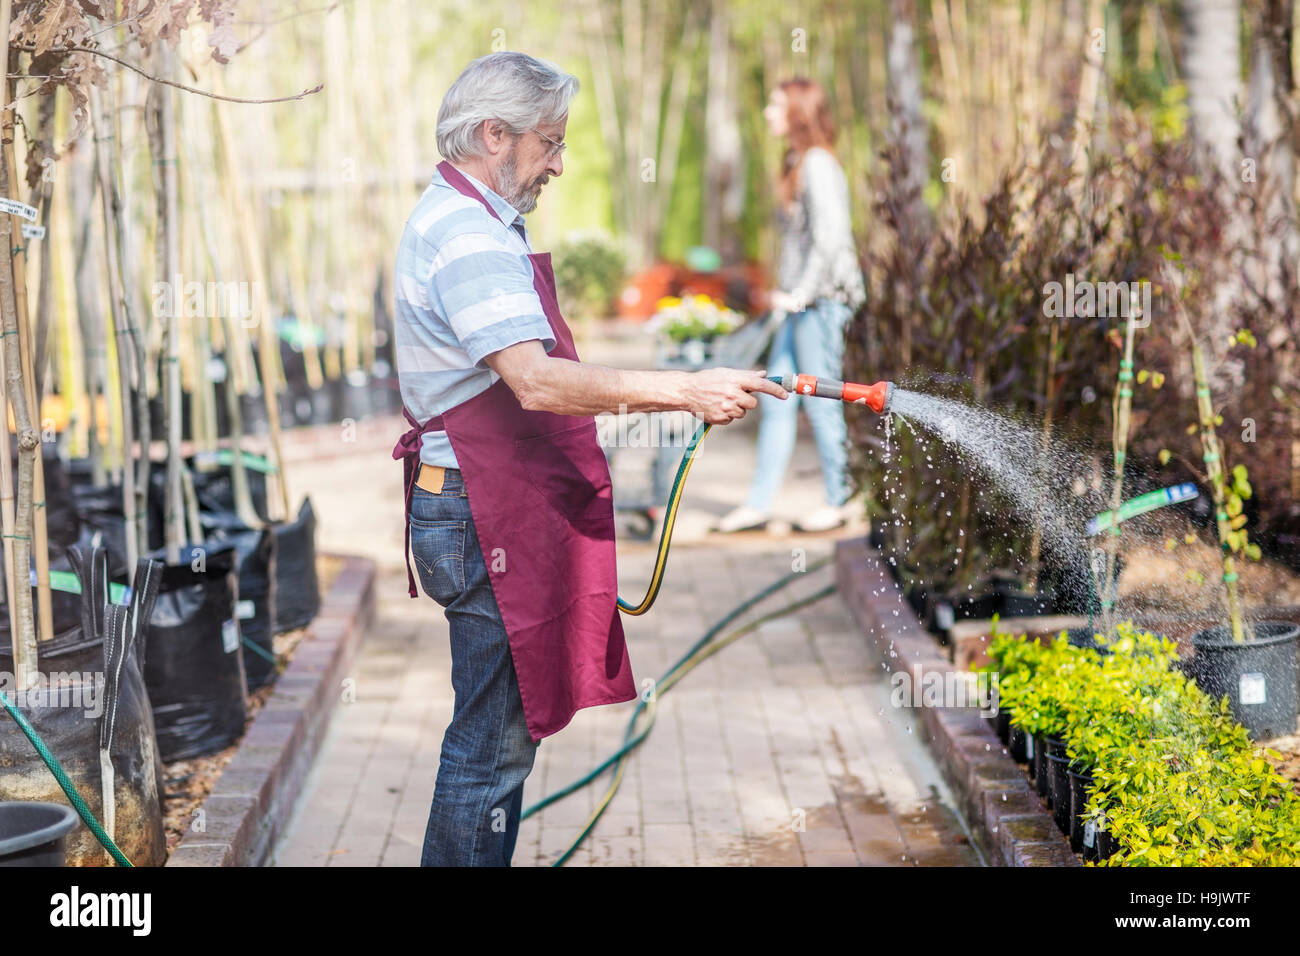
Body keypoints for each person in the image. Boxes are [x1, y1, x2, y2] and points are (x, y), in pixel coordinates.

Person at [391, 51, 786, 867]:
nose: (559, 163)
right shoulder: (465, 235)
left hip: (480, 506)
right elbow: (535, 381)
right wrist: (686, 389)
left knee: (498, 740)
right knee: (489, 749)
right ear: (493, 134)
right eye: (548, 142)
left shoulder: (475, 218)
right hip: (478, 513)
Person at [714, 78, 867, 534]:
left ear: (800, 110)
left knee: (820, 398)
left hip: (821, 303)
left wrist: (801, 293)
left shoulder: (819, 164)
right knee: (777, 397)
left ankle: (838, 500)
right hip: (799, 305)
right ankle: (759, 503)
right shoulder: (798, 161)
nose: (767, 111)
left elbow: (831, 239)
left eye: (776, 104)